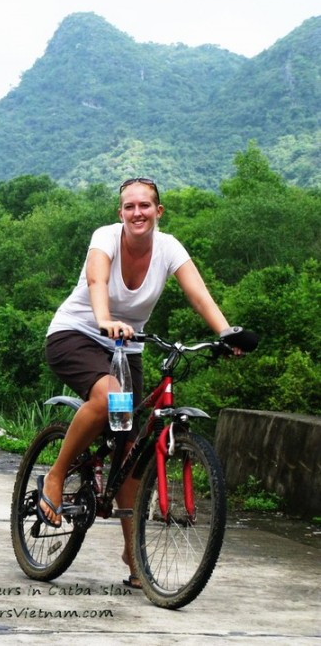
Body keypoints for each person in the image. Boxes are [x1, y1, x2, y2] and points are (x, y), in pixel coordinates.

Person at [41, 176, 240, 589]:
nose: (137, 213)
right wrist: (103, 320)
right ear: (120, 213)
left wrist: (225, 333)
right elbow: (97, 281)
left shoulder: (169, 248)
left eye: (145, 206)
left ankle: (133, 555)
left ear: (158, 211)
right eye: (129, 206)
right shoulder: (106, 238)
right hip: (76, 333)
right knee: (110, 397)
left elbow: (198, 293)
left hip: (127, 347)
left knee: (131, 448)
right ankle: (57, 474)